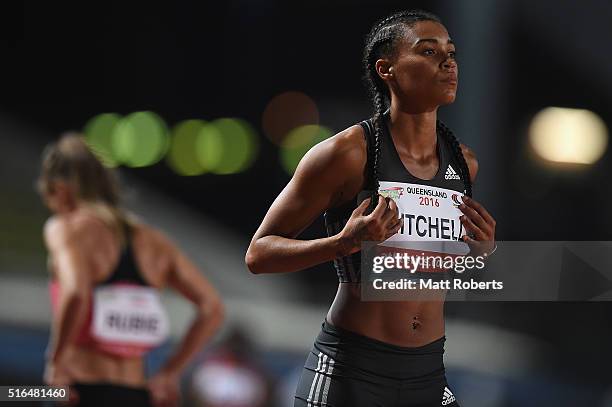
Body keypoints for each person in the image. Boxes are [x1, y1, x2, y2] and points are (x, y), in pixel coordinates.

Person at [245, 10, 496, 407]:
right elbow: (259, 254)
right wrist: (342, 243)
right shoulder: (345, 154)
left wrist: (480, 251)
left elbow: (428, 267)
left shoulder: (465, 163)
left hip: (429, 371)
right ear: (387, 69)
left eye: (451, 53)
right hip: (353, 371)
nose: (448, 63)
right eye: (428, 52)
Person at [38, 133, 224, 407]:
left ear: (60, 189)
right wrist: (170, 373)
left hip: (74, 389)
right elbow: (213, 308)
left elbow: (76, 291)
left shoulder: (64, 228)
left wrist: (56, 361)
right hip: (137, 394)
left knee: (12, 394)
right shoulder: (155, 240)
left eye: (49, 196)